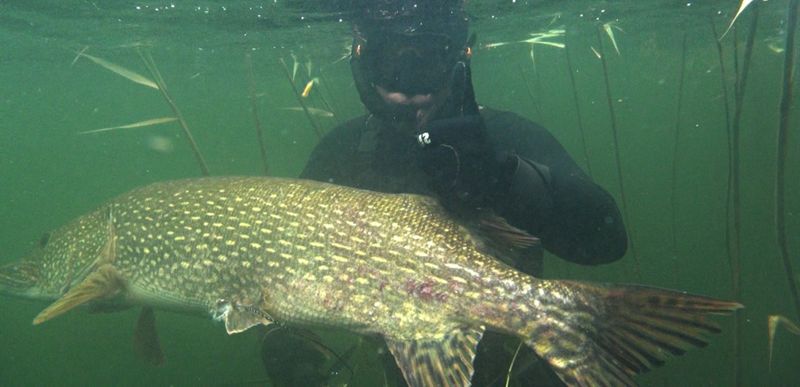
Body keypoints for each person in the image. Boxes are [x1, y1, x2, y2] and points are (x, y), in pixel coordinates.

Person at [265, 1, 628, 385]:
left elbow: (607, 241)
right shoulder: (340, 151)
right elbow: (281, 256)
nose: (407, 89)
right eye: (389, 61)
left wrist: (505, 177)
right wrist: (279, 333)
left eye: (430, 60)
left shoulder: (506, 138)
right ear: (363, 61)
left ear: (459, 61)